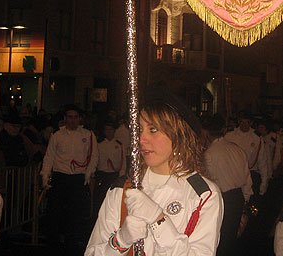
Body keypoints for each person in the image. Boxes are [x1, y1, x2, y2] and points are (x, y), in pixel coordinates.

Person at [85, 86, 223, 256]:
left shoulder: (203, 195)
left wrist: (158, 220)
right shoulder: (121, 189)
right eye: (139, 129)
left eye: (153, 130)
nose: (141, 139)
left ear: (178, 134)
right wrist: (120, 242)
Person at [41, 104, 98, 245]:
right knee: (55, 212)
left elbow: (94, 156)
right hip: (60, 177)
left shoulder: (88, 135)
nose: (72, 120)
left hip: (78, 178)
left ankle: (73, 241)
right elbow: (49, 156)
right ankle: (54, 241)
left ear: (80, 119)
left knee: (76, 214)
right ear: (65, 119)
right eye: (70, 117)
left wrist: (88, 173)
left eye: (75, 117)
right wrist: (45, 175)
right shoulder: (57, 135)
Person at [202, 114, 252, 256]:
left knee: (218, 241)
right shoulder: (237, 149)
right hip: (237, 198)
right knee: (230, 240)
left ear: (207, 133)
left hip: (220, 199)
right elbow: (247, 179)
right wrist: (246, 200)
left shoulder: (209, 154)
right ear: (224, 130)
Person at [226, 111, 271, 197]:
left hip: (251, 173)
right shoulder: (230, 136)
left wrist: (264, 182)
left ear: (251, 123)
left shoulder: (256, 137)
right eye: (242, 122)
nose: (244, 125)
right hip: (234, 175)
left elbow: (262, 161)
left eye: (247, 122)